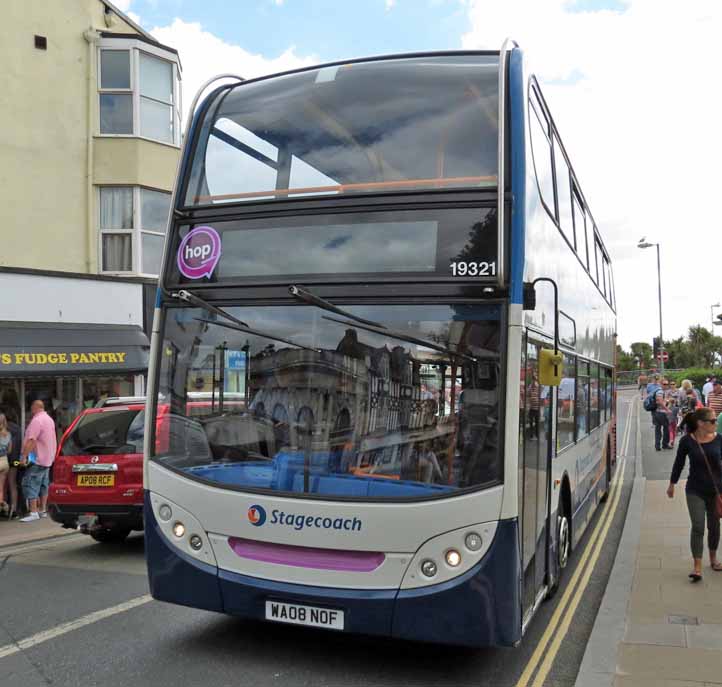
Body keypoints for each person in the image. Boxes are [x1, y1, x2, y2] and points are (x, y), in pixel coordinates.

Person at [667, 407, 722, 581]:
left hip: (716, 491)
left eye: (716, 420)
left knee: (714, 526)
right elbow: (679, 463)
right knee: (698, 526)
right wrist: (672, 484)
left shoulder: (719, 440)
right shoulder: (687, 441)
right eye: (712, 421)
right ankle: (697, 567)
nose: (716, 423)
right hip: (695, 489)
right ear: (700, 423)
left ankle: (713, 559)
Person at [19, 400, 57, 522]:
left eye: (31, 408)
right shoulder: (49, 419)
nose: (31, 411)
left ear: (35, 407)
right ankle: (42, 510)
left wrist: (24, 457)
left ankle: (33, 512)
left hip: (37, 459)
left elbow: (31, 440)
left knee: (31, 484)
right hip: (48, 458)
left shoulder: (37, 421)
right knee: (43, 485)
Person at [2, 407, 22, 518]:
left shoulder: (3, 429)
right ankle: (14, 510)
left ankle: (3, 508)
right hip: (15, 460)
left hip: (4, 459)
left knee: (3, 485)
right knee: (12, 483)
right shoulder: (18, 429)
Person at [0, 413, 12, 516]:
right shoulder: (8, 434)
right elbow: (9, 450)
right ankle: (2, 505)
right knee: (1, 488)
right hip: (5, 461)